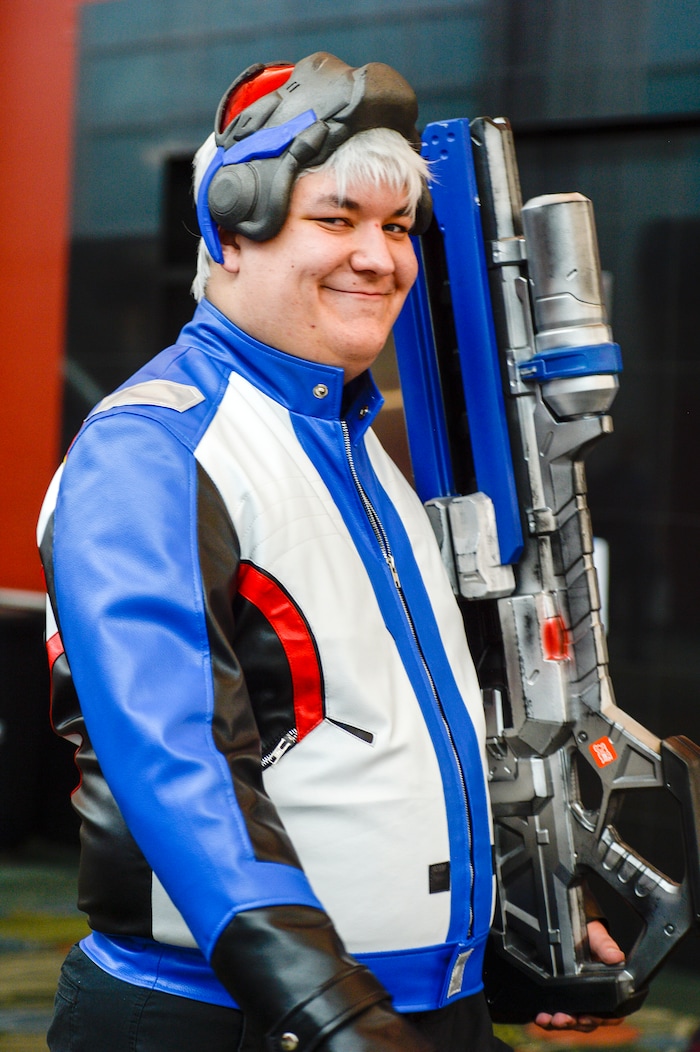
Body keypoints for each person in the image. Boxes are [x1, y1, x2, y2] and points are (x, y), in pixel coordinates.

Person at [37, 52, 624, 1052]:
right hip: (225, 1019)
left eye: (396, 228)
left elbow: (384, 743)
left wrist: (503, 939)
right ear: (229, 231)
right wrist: (330, 1012)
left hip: (413, 1007)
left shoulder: (358, 446)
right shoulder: (156, 450)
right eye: (335, 220)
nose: (379, 257)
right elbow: (177, 766)